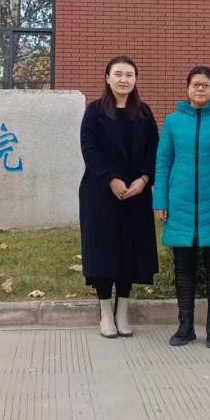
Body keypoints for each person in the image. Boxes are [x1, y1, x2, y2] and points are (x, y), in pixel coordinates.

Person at [154, 66, 210, 349]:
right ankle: (185, 326)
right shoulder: (173, 121)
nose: (200, 89)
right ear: (187, 88)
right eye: (195, 84)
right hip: (180, 204)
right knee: (184, 269)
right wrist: (160, 201)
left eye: (206, 85)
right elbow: (163, 162)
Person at [79, 56, 160, 338]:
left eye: (129, 75)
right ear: (107, 78)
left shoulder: (144, 113)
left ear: (136, 79)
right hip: (100, 193)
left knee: (130, 250)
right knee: (103, 249)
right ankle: (105, 312)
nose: (124, 79)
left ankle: (122, 310)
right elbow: (90, 149)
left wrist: (144, 179)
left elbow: (153, 150)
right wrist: (111, 179)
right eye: (118, 74)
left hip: (136, 194)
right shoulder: (95, 111)